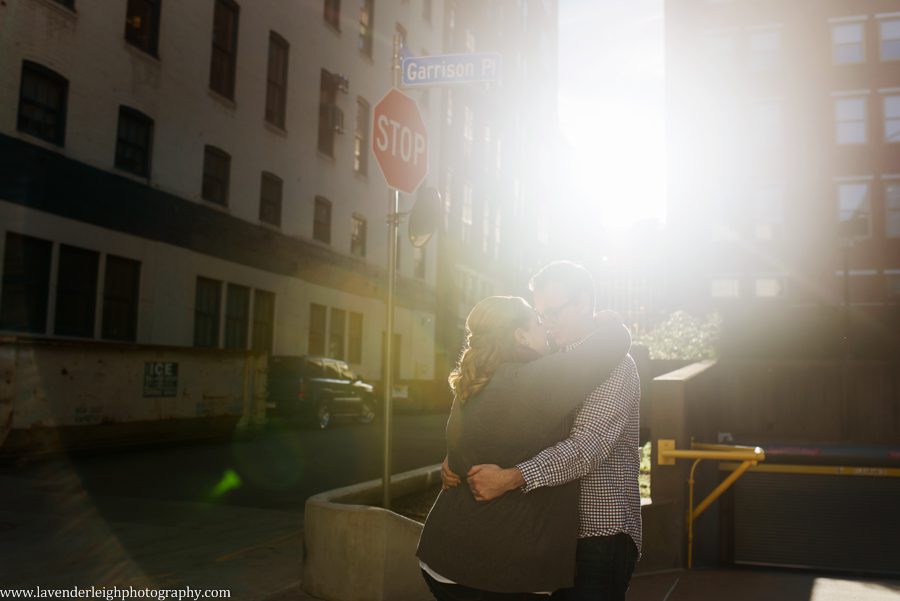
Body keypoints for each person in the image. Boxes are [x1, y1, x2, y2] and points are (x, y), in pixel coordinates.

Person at [446, 262, 643, 601]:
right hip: (549, 535)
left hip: (598, 535)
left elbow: (587, 447)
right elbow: (499, 416)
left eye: (553, 313)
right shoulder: (545, 360)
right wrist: (457, 456)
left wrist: (512, 477)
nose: (546, 324)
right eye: (540, 316)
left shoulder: (617, 366)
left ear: (583, 303)